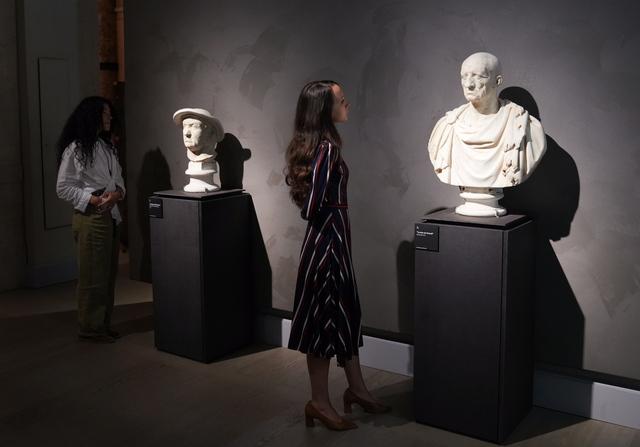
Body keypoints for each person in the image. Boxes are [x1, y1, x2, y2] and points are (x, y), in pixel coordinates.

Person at [285, 80, 390, 431]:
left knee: (344, 313)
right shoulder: (328, 149)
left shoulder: (323, 146)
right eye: (341, 100)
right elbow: (313, 205)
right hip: (328, 246)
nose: (347, 104)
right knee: (324, 320)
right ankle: (319, 402)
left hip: (332, 242)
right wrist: (332, 224)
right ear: (324, 109)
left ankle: (356, 389)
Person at [56, 96, 126, 343]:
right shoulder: (76, 148)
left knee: (107, 274)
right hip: (92, 217)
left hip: (111, 216)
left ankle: (102, 324)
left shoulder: (107, 147)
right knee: (92, 275)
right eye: (105, 113)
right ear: (92, 116)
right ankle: (90, 327)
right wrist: (94, 199)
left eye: (109, 113)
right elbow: (63, 187)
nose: (109, 117)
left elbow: (119, 181)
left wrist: (117, 194)